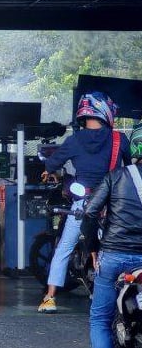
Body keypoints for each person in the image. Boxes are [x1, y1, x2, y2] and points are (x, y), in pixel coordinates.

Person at [38, 91, 130, 313]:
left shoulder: (74, 140)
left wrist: (47, 172)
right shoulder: (119, 139)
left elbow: (51, 164)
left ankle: (50, 298)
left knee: (64, 248)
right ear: (105, 111)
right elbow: (131, 167)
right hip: (114, 205)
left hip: (84, 203)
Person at [80, 123, 142, 348]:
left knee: (100, 319)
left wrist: (93, 248)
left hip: (114, 256)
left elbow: (90, 214)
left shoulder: (115, 176)